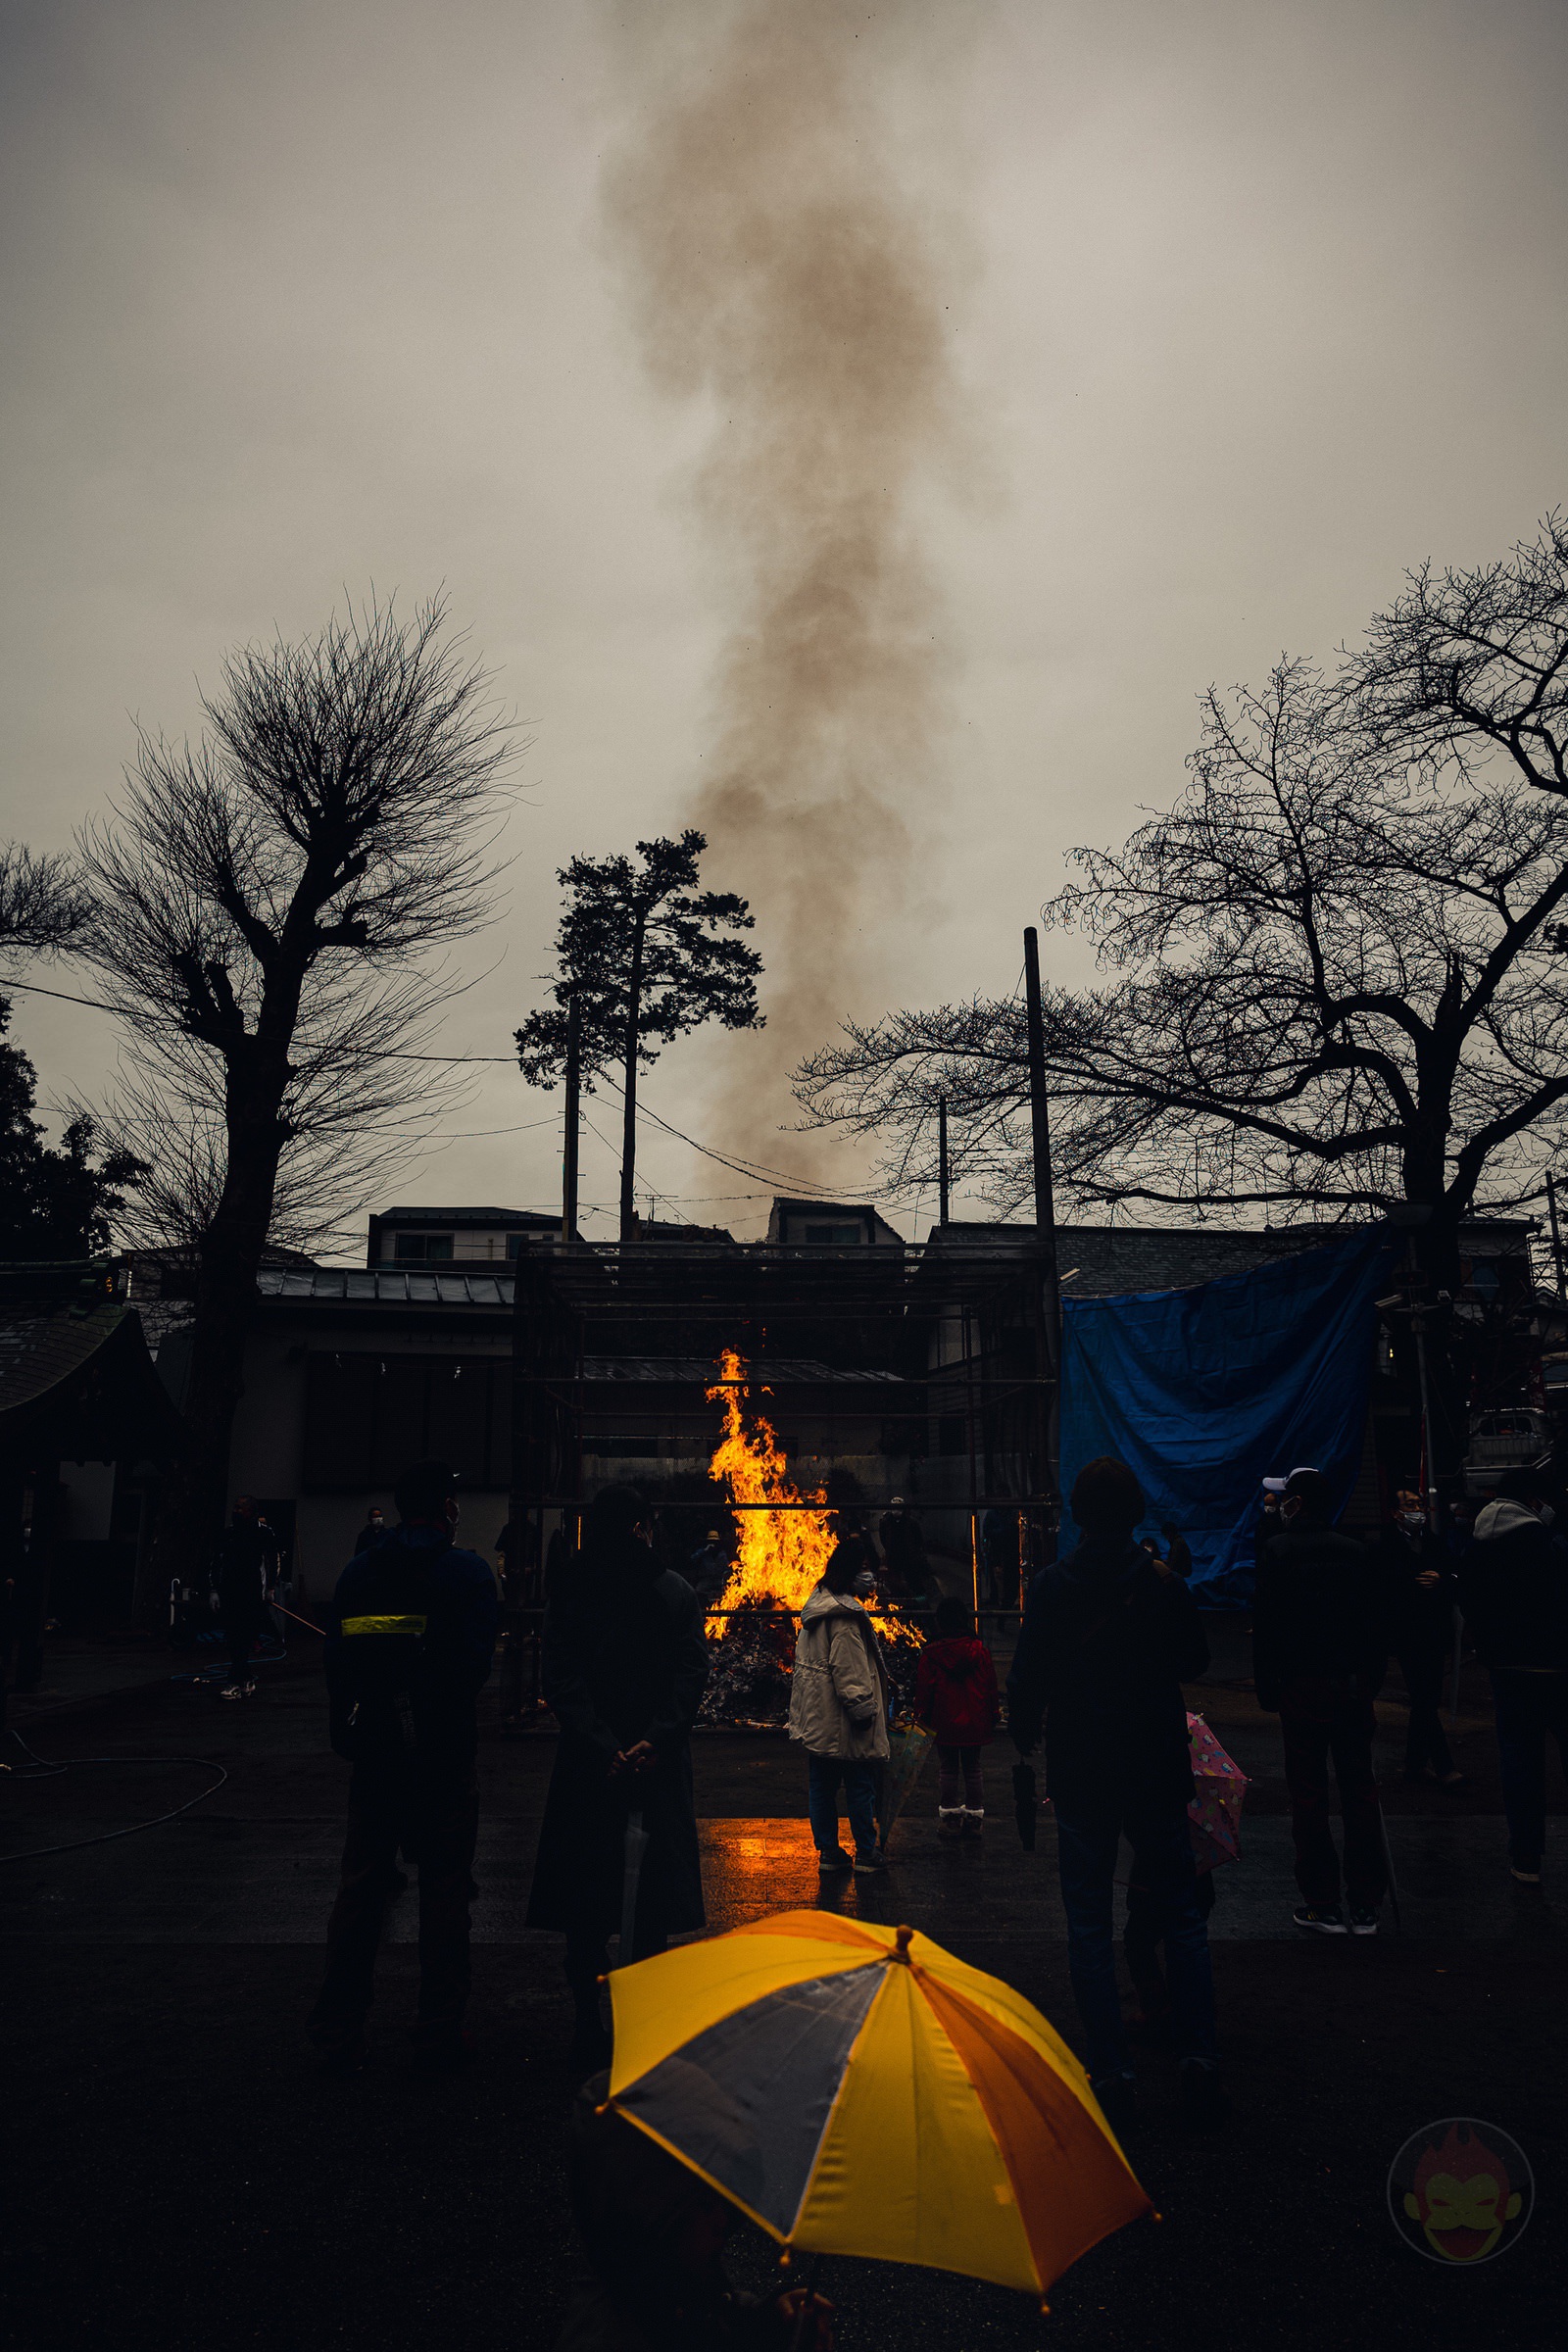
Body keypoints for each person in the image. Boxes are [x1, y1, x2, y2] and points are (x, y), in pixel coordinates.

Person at [1007, 1454, 1223, 2132]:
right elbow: (1195, 1662)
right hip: (1156, 1768)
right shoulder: (1161, 1585)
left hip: (1083, 1772)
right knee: (1182, 1918)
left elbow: (1029, 1678)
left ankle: (1111, 2070)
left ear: (1077, 1513)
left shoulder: (1051, 1587)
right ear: (1135, 1514)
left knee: (1089, 1924)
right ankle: (1197, 2061)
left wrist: (1023, 1736)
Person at [306, 1458, 497, 2072]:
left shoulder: (361, 1572)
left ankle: (337, 2032)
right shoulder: (465, 1573)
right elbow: (474, 1668)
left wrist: (350, 1733)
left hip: (378, 1753)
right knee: (445, 1891)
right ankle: (438, 2031)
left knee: (361, 1888)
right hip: (443, 1756)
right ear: (448, 1509)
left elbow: (339, 1663)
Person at [528, 1486, 710, 2071]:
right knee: (649, 1900)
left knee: (585, 1898)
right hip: (653, 1770)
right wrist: (655, 1738)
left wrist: (600, 1745)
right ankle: (643, 2019)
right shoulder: (674, 1592)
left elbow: (558, 1676)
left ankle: (589, 2018)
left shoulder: (572, 1590)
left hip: (589, 1772)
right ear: (641, 1528)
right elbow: (689, 1676)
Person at [558, 2073, 834, 2351]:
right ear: (652, 2213)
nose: (722, 2221)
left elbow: (710, 2318)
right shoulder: (610, 2338)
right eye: (703, 2205)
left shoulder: (664, 2285)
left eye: (721, 2199)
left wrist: (769, 2322)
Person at [1252, 1466, 1389, 1936]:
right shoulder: (1357, 1553)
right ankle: (1367, 1903)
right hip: (1350, 1687)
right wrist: (1370, 1680)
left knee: (1308, 1792)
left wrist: (1267, 1686)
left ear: (1297, 1503)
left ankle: (1323, 1901)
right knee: (1359, 1790)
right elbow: (1375, 1626)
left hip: (1300, 1686)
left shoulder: (1277, 1551)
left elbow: (1266, 1628)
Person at [1461, 1467, 1568, 1886]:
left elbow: (1469, 1602)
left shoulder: (1480, 1545)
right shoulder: (1551, 1546)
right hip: (1559, 1670)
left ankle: (1526, 1859)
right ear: (1533, 1501)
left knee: (1521, 1764)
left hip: (1508, 1672)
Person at [788, 1539, 891, 1877]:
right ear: (848, 1571)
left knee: (822, 1787)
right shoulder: (845, 1617)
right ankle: (866, 1852)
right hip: (845, 1723)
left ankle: (829, 1852)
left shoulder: (816, 1605)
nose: (870, 1575)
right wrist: (864, 1711)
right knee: (861, 1786)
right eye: (864, 1568)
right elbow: (850, 1673)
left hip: (820, 1720)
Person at [1379, 1492, 1462, 1788]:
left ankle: (1414, 1764)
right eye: (1410, 1506)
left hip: (1435, 1632)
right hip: (1406, 1634)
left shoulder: (1433, 1540)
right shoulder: (1383, 1545)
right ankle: (1443, 1765)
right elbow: (1382, 1589)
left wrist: (1443, 1579)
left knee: (1425, 1700)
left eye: (1419, 1505)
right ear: (1395, 1513)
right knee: (1424, 1699)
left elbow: (1456, 1573)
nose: (1417, 1510)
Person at [914, 1594, 999, 1840]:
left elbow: (924, 1691)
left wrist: (921, 1716)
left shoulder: (931, 1654)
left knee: (948, 1769)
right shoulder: (980, 1651)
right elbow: (990, 1686)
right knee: (973, 1769)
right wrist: (993, 1714)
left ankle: (950, 1819)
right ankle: (974, 1820)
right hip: (975, 1721)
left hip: (944, 1721)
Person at [216, 1495, 271, 1698]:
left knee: (243, 1636)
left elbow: (270, 1562)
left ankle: (235, 1681)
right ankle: (244, 1677)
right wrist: (215, 1589)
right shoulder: (229, 1535)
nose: (236, 1511)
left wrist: (269, 1589)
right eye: (235, 1508)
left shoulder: (262, 1534)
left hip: (250, 1593)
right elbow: (217, 1561)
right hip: (230, 1592)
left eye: (240, 1508)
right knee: (233, 1637)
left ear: (250, 1511)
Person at [876, 1498, 928, 1603]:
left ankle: (917, 1602)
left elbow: (918, 1539)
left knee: (913, 1580)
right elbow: (883, 1538)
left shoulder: (911, 1522)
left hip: (909, 1557)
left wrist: (915, 1552)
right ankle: (899, 1603)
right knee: (895, 1582)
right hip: (894, 1557)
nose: (896, 1511)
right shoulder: (886, 1522)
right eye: (894, 1508)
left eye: (898, 1508)